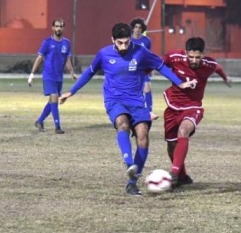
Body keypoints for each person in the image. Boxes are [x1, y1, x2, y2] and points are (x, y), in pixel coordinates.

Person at [59, 22, 196, 196]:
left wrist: (180, 82)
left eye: (126, 42)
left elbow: (160, 66)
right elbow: (89, 72)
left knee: (143, 136)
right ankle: (129, 163)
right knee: (122, 124)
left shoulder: (140, 51)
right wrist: (71, 91)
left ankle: (132, 183)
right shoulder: (104, 54)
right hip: (114, 100)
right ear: (112, 40)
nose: (124, 46)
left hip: (137, 102)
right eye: (120, 43)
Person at [162, 37, 231, 187]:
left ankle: (173, 173)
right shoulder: (174, 57)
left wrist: (225, 78)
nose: (194, 60)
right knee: (172, 145)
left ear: (203, 55)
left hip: (193, 107)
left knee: (184, 130)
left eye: (197, 57)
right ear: (186, 52)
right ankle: (182, 177)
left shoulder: (209, 64)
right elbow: (159, 64)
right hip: (173, 105)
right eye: (191, 57)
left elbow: (217, 68)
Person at [28, 18, 77, 134]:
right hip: (48, 75)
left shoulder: (67, 43)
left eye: (61, 26)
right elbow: (39, 58)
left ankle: (39, 121)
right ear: (53, 28)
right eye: (56, 26)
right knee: (54, 97)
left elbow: (67, 59)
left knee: (52, 101)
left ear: (63, 28)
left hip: (59, 77)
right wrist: (32, 74)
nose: (58, 28)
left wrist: (71, 72)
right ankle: (57, 126)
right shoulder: (47, 42)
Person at [130, 17, 158, 120]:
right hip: (131, 69)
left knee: (147, 88)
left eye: (139, 27)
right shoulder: (128, 40)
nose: (137, 29)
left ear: (143, 29)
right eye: (135, 27)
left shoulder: (146, 41)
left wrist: (152, 67)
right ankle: (132, 112)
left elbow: (149, 54)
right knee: (133, 91)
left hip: (143, 69)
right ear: (132, 28)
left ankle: (149, 112)